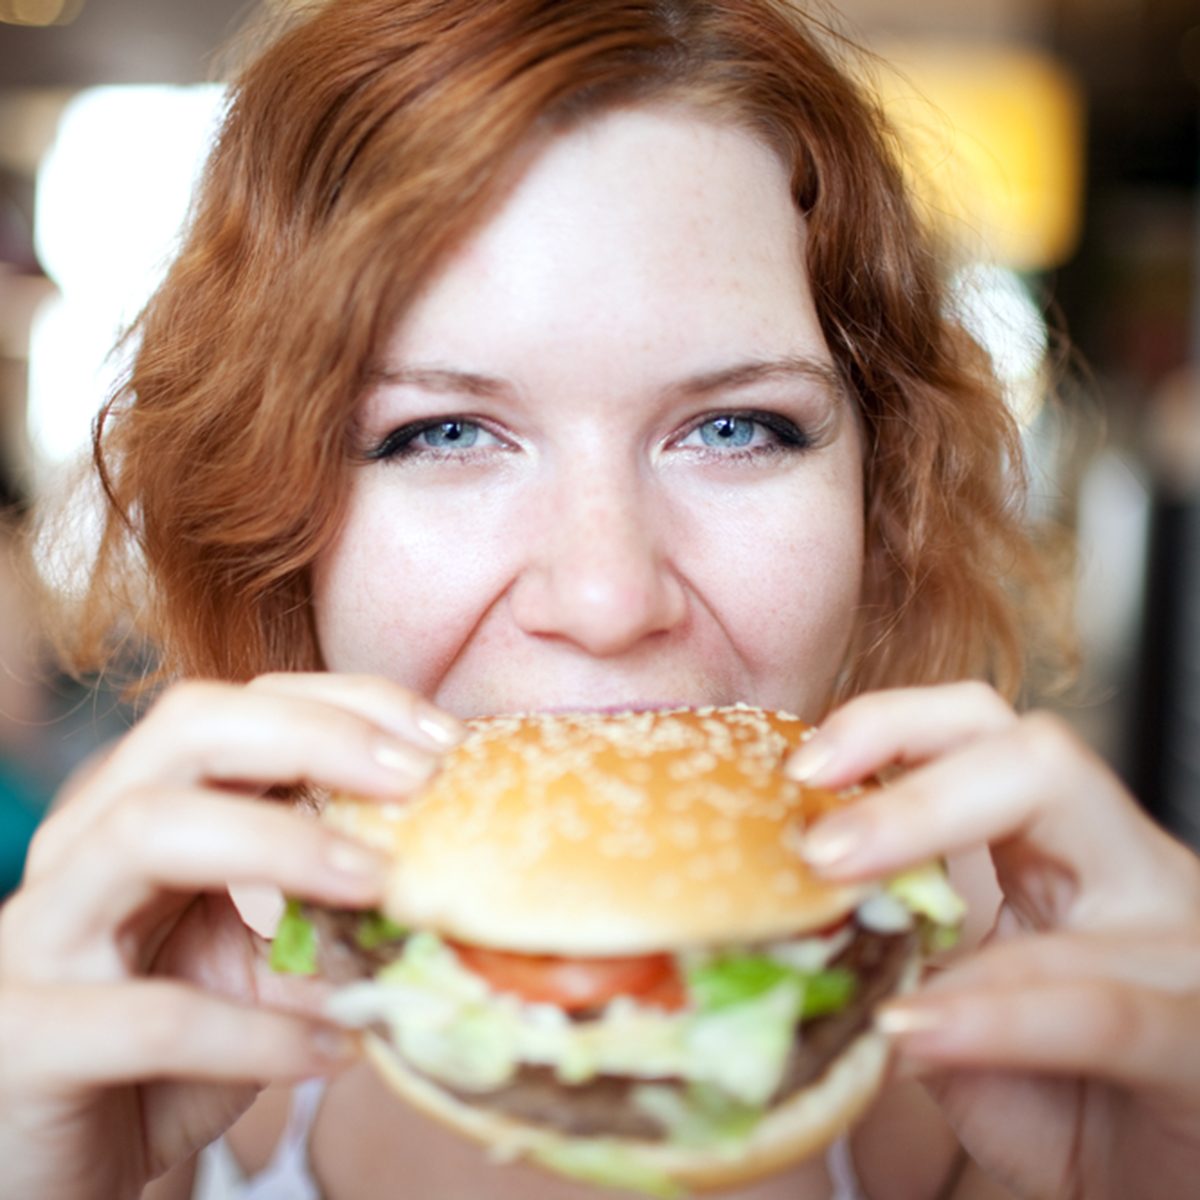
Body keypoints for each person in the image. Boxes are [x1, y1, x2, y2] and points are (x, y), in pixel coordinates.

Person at [2, 1, 1197, 1197]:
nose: (609, 596)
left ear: (879, 497)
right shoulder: (136, 1074)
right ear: (273, 519)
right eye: (442, 432)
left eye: (736, 428)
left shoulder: (1016, 1069)